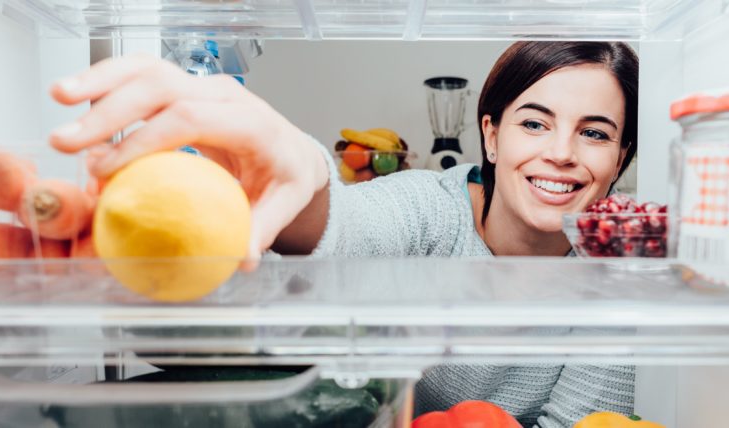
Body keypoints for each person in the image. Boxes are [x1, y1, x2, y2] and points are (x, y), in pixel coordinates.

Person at [48, 41, 639, 427]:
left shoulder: (616, 275)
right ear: (490, 134)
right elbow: (348, 228)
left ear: (621, 157)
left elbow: (585, 424)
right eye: (534, 123)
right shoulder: (432, 209)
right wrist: (303, 176)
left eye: (594, 133)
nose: (560, 154)